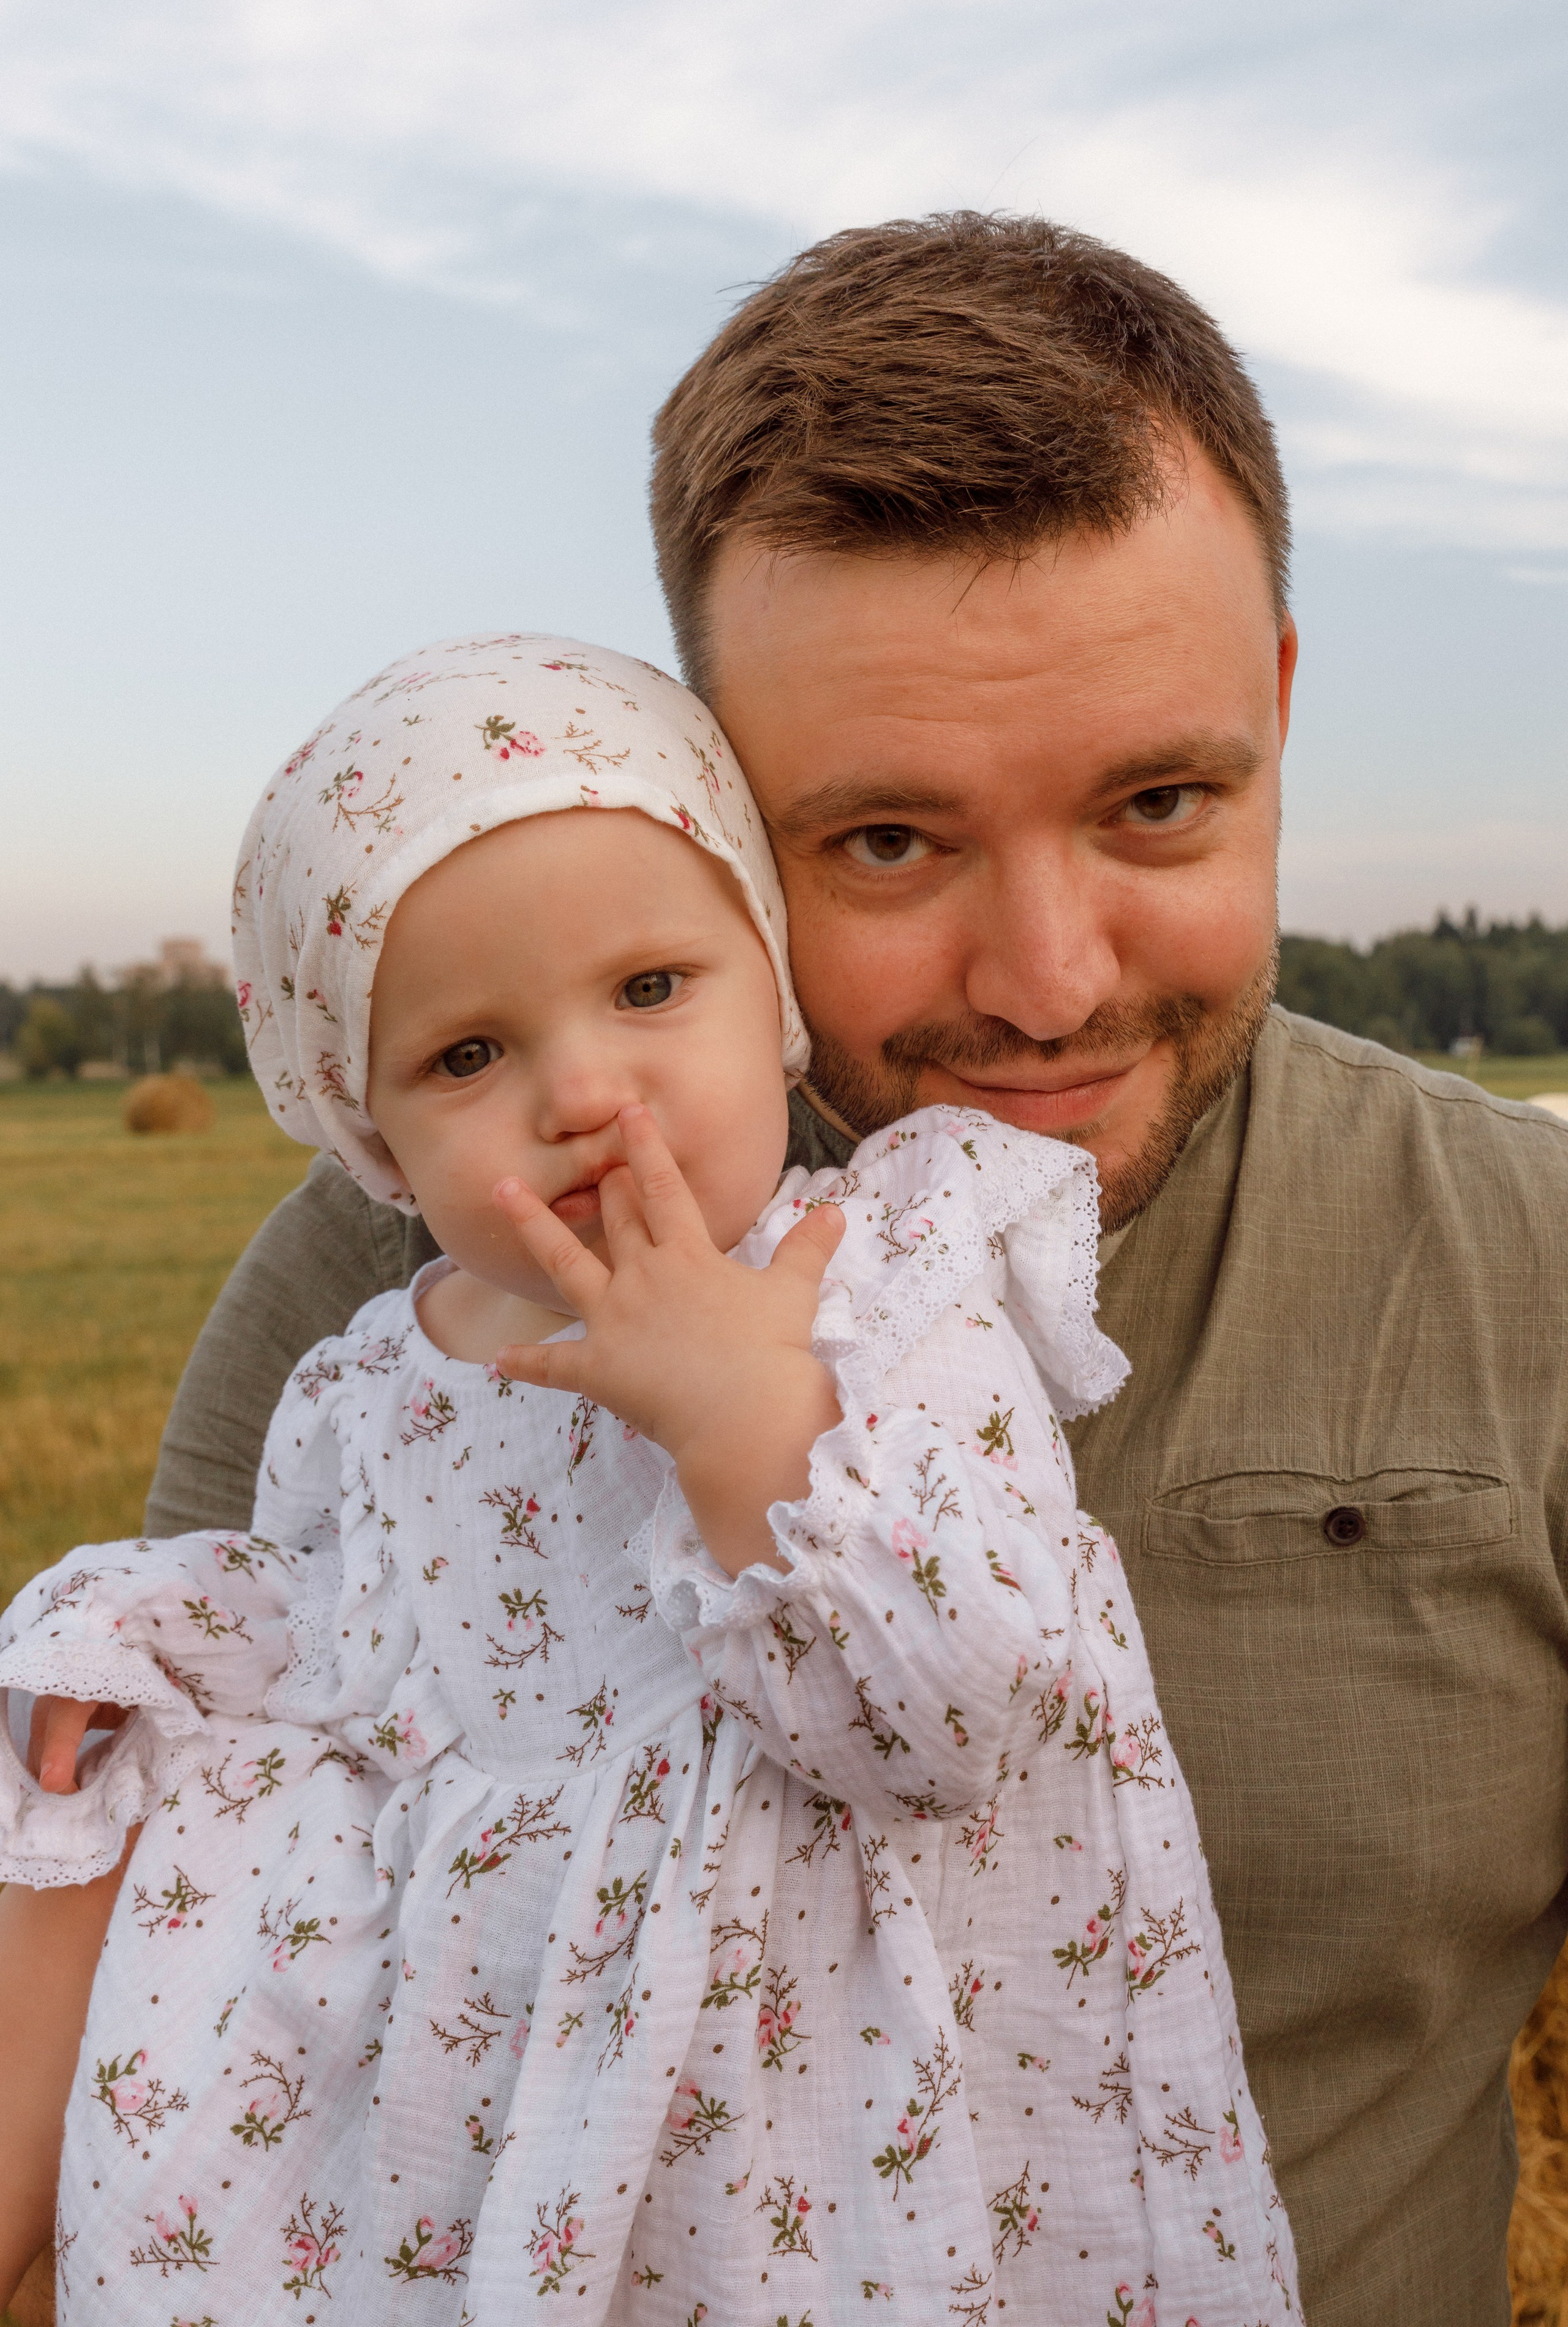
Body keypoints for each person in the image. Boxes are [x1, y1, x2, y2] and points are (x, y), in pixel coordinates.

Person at [8, 208, 1568, 2323]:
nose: (1048, 982)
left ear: (1278, 711)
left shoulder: (1524, 1266)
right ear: (721, 814)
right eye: (890, 841)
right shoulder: (396, 1302)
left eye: (1159, 802)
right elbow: (158, 1965)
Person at [0, 636, 1297, 2322]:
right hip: (496, 2107)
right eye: (468, 1057)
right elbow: (344, 1647)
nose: (584, 1094)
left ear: (777, 1001)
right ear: (373, 1138)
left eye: (651, 989)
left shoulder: (883, 1282)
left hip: (807, 2124)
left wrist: (748, 1418)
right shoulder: (372, 1378)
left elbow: (958, 1712)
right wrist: (151, 1640)